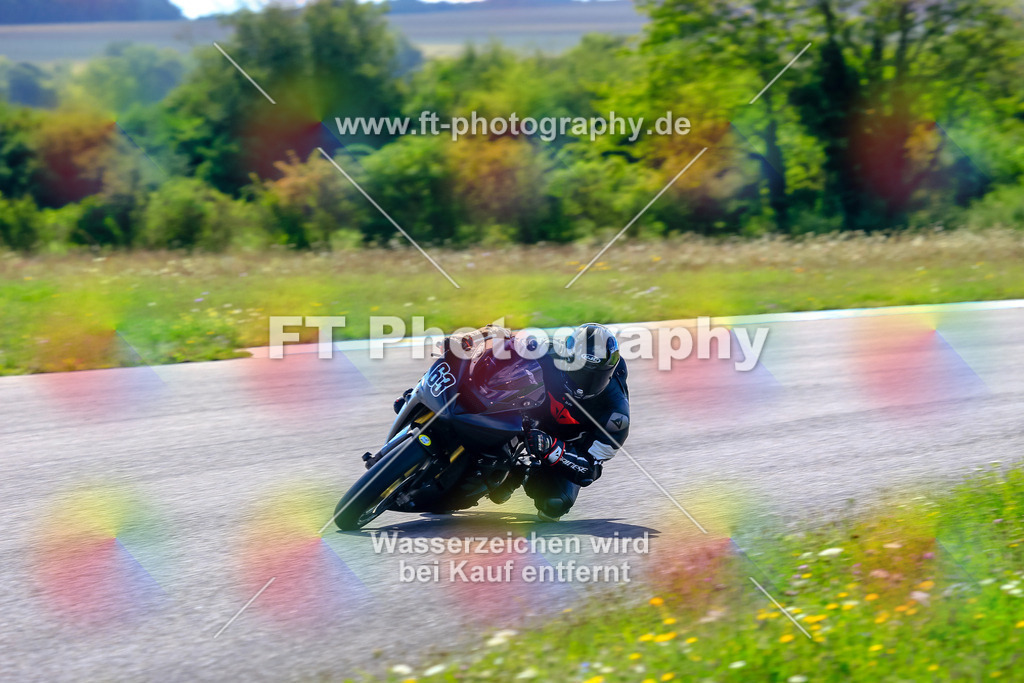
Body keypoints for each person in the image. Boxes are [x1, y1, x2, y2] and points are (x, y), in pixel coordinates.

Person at [391, 322, 630, 522]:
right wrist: (470, 339)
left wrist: (553, 449)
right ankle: (418, 398)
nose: (583, 383)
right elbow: (503, 334)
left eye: (594, 376)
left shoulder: (615, 417)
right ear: (567, 355)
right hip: (528, 410)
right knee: (471, 369)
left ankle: (520, 472)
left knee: (553, 504)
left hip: (562, 444)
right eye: (579, 370)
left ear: (609, 374)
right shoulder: (552, 349)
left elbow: (589, 470)